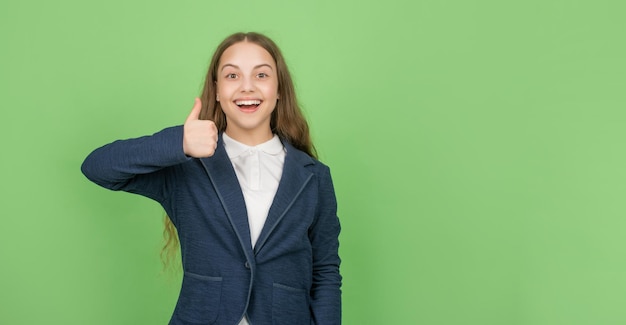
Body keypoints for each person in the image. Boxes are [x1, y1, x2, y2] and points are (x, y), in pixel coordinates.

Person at [81, 32, 342, 325]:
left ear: (279, 89)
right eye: (232, 75)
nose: (247, 86)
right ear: (216, 90)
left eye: (261, 75)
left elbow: (325, 271)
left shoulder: (314, 177)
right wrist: (179, 142)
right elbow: (97, 167)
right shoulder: (188, 165)